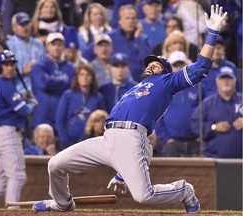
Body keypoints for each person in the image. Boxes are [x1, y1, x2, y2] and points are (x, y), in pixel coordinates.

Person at [32, 4, 227, 213]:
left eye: (158, 64)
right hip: (107, 138)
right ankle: (62, 203)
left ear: (166, 71)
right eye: (150, 64)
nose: (151, 65)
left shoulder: (167, 82)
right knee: (55, 164)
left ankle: (183, 190)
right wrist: (121, 171)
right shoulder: (135, 86)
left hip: (132, 136)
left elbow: (201, 69)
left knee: (144, 196)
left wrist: (212, 33)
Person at [0, 50, 38, 208]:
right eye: (6, 64)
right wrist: (32, 101)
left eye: (12, 64)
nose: (10, 67)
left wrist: (23, 97)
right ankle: (13, 210)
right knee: (18, 177)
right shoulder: (5, 85)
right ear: (0, 66)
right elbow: (25, 111)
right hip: (8, 134)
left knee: (4, 179)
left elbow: (13, 102)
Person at [155, 51, 204, 157]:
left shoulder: (198, 86)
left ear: (187, 66)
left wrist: (201, 134)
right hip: (172, 143)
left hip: (195, 141)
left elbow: (206, 110)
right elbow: (156, 116)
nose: (178, 68)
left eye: (181, 64)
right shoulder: (163, 89)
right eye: (175, 65)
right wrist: (166, 138)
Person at [191, 70, 242, 158]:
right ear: (217, 81)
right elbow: (195, 126)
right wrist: (213, 127)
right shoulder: (207, 103)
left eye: (229, 78)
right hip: (213, 159)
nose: (226, 81)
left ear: (235, 81)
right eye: (222, 78)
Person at [31, 32, 76, 132]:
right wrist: (65, 81)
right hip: (43, 117)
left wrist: (51, 82)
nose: (56, 47)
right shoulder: (39, 66)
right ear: (47, 47)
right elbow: (43, 84)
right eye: (53, 44)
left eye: (59, 44)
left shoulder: (71, 67)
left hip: (64, 118)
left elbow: (73, 86)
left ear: (64, 47)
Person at [56, 64, 106, 149]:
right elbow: (60, 119)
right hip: (70, 141)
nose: (84, 78)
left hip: (91, 142)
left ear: (92, 78)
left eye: (88, 75)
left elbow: (102, 119)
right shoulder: (68, 95)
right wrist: (65, 140)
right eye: (81, 74)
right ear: (77, 77)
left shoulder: (98, 97)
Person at [7, 12, 46, 94]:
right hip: (19, 91)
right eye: (22, 25)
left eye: (27, 24)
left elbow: (46, 65)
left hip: (40, 90)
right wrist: (23, 70)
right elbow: (4, 73)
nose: (25, 27)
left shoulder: (38, 43)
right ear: (14, 28)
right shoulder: (9, 45)